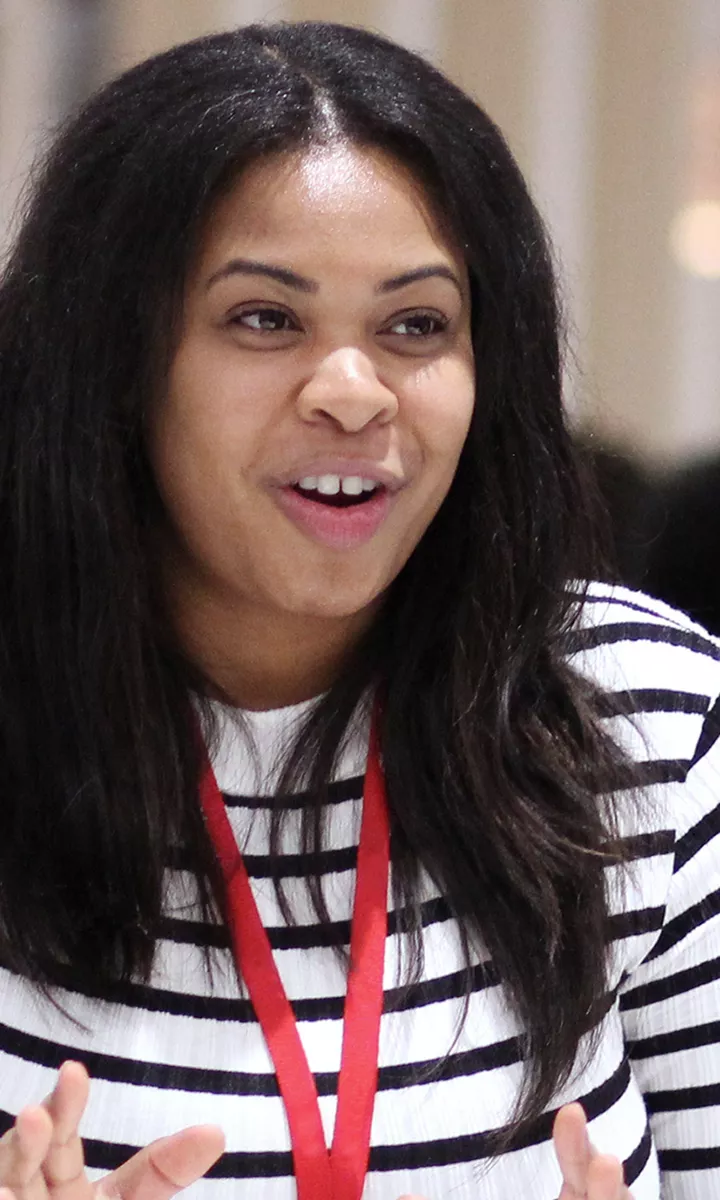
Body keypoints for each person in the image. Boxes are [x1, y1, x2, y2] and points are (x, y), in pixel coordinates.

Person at [0, 21, 718, 1200]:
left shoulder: (646, 721)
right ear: (111, 365)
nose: (353, 391)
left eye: (417, 325)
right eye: (265, 319)